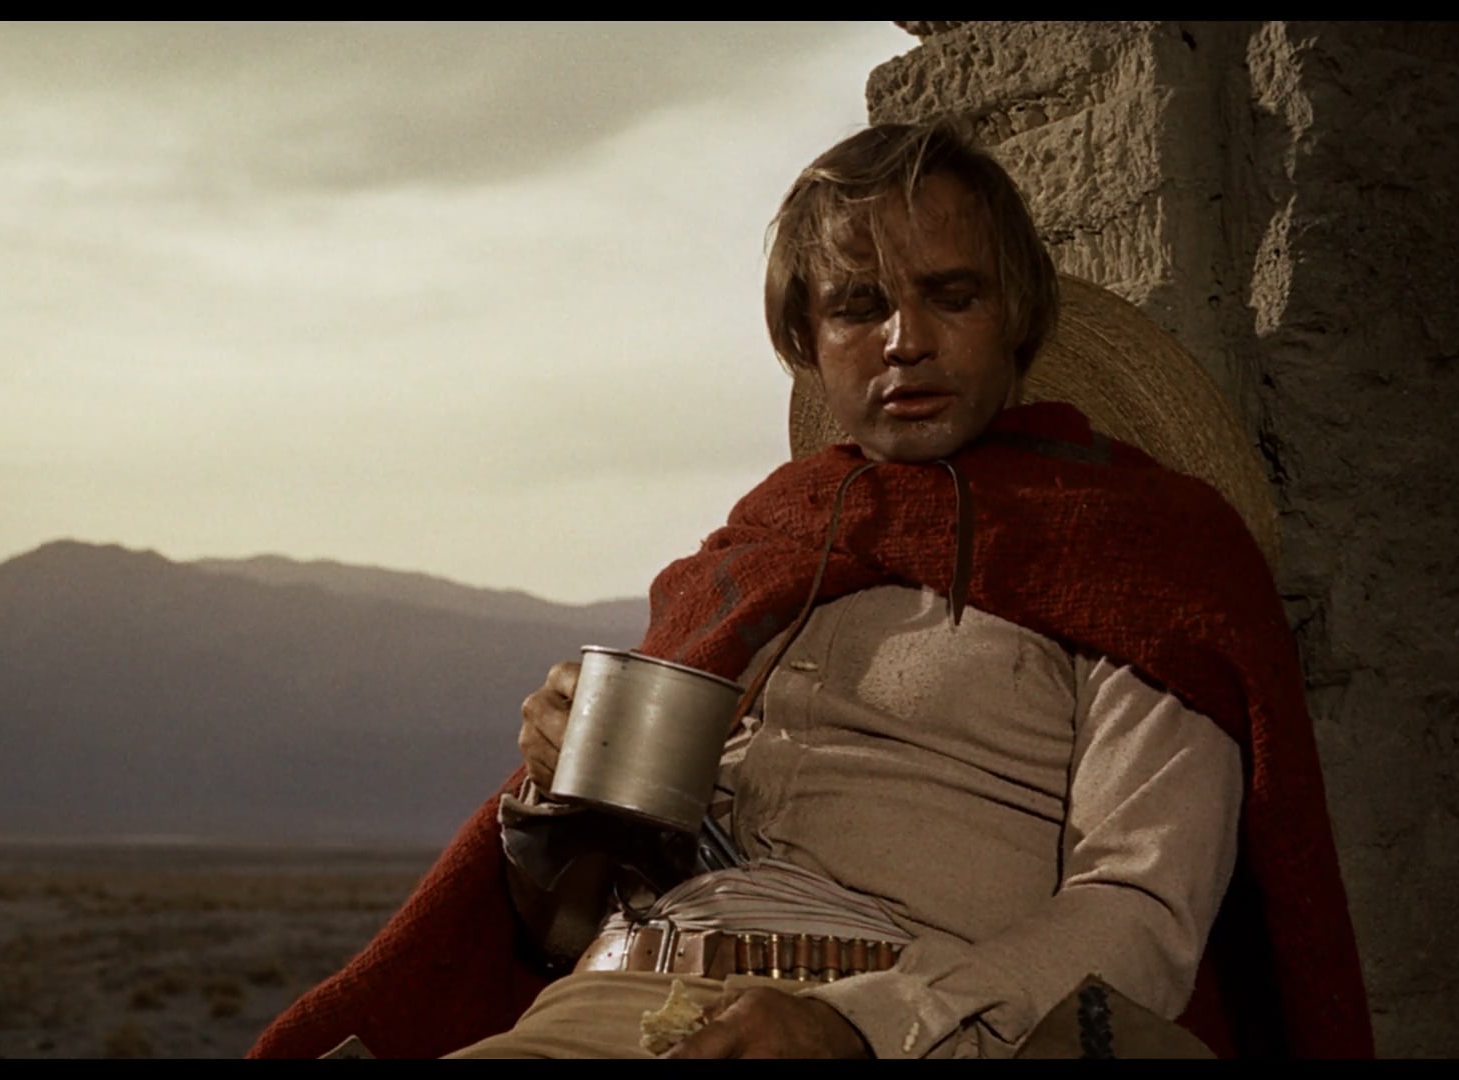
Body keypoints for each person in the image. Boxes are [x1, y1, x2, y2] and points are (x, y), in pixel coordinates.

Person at [247, 122, 1373, 1059]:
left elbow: (1141, 908)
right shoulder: (761, 552)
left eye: (951, 296)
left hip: (906, 1027)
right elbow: (562, 923)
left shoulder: (1141, 553)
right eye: (859, 305)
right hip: (601, 1005)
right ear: (807, 336)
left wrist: (857, 1026)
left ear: (1017, 316)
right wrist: (558, 792)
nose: (905, 340)